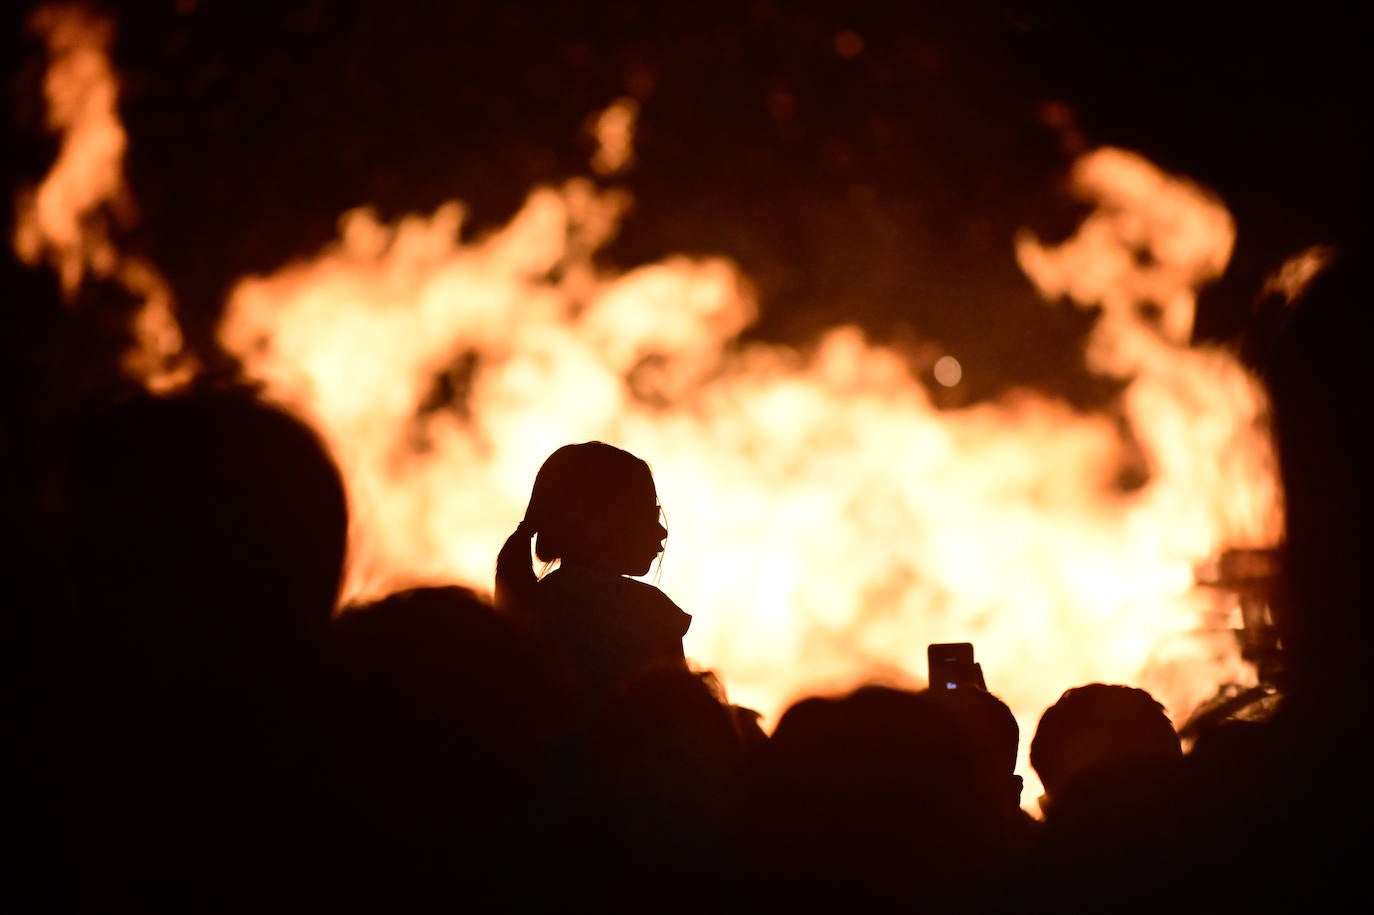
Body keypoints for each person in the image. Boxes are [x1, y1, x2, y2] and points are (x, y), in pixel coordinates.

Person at [494, 441, 690, 707]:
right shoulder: (649, 614)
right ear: (599, 521)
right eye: (645, 514)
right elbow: (680, 716)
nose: (661, 531)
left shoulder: (530, 608)